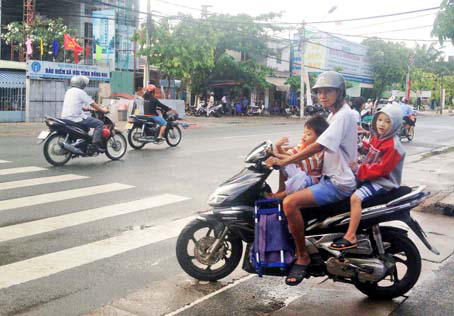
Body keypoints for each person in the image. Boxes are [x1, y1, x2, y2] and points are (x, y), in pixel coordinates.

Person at [265, 71, 357, 286]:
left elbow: (317, 145)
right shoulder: (335, 115)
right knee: (288, 193)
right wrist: (281, 154)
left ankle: (302, 255)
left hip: (338, 183)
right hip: (329, 178)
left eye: (328, 91)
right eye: (319, 92)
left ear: (339, 93)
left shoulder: (343, 116)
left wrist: (285, 161)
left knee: (290, 203)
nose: (322, 96)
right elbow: (310, 145)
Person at [330, 106, 405, 250]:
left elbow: (381, 169)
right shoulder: (378, 137)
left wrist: (358, 170)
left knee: (355, 198)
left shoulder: (394, 146)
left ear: (395, 124)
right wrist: (356, 145)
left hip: (383, 182)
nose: (382, 124)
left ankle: (351, 235)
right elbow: (368, 148)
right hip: (370, 176)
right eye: (380, 119)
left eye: (388, 121)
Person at [266, 115, 329, 200]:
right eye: (304, 133)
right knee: (284, 164)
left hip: (311, 181)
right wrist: (278, 147)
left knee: (300, 178)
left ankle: (281, 195)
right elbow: (290, 156)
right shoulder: (303, 146)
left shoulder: (318, 153)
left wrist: (277, 155)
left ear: (319, 138)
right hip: (301, 172)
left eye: (308, 134)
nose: (304, 136)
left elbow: (299, 161)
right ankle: (281, 189)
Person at [61, 75, 109, 153]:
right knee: (99, 123)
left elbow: (74, 103)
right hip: (76, 118)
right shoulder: (81, 92)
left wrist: (85, 108)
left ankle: (82, 142)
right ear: (81, 84)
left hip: (65, 117)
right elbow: (93, 104)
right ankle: (94, 146)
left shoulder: (69, 91)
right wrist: (103, 110)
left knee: (86, 127)